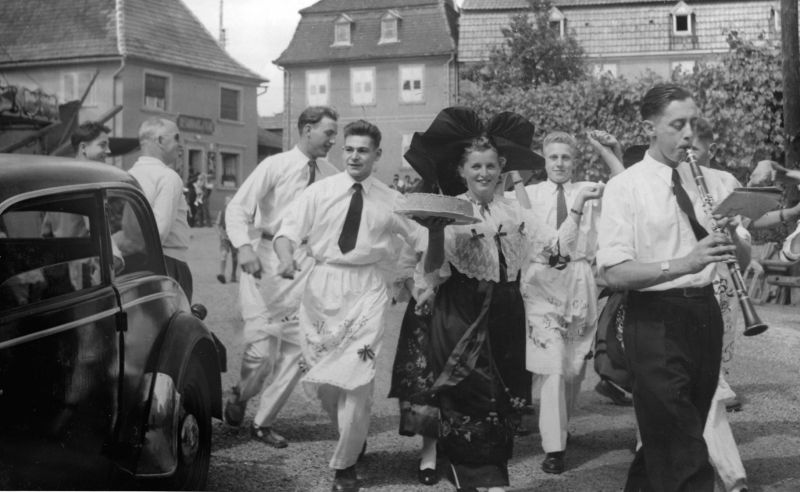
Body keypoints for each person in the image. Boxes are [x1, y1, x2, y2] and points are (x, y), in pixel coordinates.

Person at [417, 124, 600, 491]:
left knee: (501, 399)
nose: (483, 174)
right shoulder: (449, 210)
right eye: (475, 167)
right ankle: (471, 477)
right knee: (466, 397)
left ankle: (494, 475)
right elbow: (434, 273)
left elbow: (558, 247)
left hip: (508, 312)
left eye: (489, 166)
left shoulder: (515, 212)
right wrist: (436, 233)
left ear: (500, 167)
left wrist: (577, 209)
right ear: (462, 171)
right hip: (462, 313)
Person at [596, 83, 750, 491]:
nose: (687, 135)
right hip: (653, 320)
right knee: (682, 443)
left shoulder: (716, 183)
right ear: (650, 128)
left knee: (675, 436)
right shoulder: (625, 186)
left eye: (692, 124)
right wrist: (685, 262)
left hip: (704, 315)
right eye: (677, 125)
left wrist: (733, 238)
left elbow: (742, 261)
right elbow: (612, 273)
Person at [273, 120, 435, 492]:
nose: (355, 156)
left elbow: (424, 239)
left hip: (368, 289)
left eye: (363, 150)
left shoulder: (393, 200)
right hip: (322, 288)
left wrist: (426, 280)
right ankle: (353, 434)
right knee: (325, 381)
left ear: (377, 156)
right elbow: (287, 233)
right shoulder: (320, 192)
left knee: (358, 380)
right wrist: (285, 258)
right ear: (342, 151)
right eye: (349, 149)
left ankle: (345, 469)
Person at [223, 106, 340, 448]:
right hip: (265, 261)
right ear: (306, 129)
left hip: (305, 266)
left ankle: (262, 422)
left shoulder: (331, 174)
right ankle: (241, 394)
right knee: (261, 352)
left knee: (296, 350)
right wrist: (242, 247)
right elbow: (237, 208)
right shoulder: (274, 165)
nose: (333, 140)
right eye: (328, 132)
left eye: (335, 134)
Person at [510, 131, 605, 475]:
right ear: (544, 160)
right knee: (550, 362)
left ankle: (560, 428)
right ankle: (554, 447)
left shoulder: (591, 191)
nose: (560, 164)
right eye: (553, 158)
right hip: (540, 280)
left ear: (573, 161)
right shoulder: (526, 194)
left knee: (572, 365)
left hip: (579, 278)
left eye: (566, 157)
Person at [127, 117, 192, 301]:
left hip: (135, 264)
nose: (181, 145)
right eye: (177, 138)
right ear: (161, 141)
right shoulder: (168, 177)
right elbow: (160, 232)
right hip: (168, 264)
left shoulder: (129, 175)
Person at [216, 196, 238, 284]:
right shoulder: (222, 213)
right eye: (227, 202)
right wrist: (220, 234)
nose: (229, 204)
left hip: (234, 237)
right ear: (225, 203)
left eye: (231, 202)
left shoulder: (236, 213)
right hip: (225, 237)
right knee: (224, 254)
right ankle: (222, 274)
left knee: (235, 257)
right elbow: (217, 225)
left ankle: (233, 275)